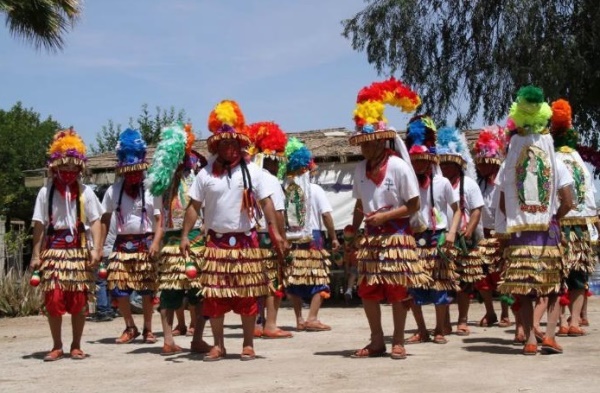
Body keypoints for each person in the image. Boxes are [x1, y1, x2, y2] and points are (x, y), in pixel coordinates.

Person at [180, 100, 285, 361]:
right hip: (215, 244)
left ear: (240, 144)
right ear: (217, 145)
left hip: (246, 243)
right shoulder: (205, 174)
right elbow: (194, 206)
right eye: (223, 143)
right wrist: (184, 235)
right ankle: (219, 345)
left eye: (233, 143)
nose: (228, 147)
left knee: (247, 295)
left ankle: (248, 344)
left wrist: (276, 232)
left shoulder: (252, 171)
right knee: (214, 297)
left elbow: (267, 202)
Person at [347, 78, 427, 360]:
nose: (364, 149)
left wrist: (386, 216)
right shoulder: (359, 168)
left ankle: (398, 341)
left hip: (396, 238)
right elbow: (359, 204)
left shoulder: (398, 167)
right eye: (362, 144)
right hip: (370, 239)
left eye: (369, 143)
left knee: (396, 290)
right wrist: (352, 232)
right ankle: (376, 340)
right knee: (368, 291)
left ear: (381, 140)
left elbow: (414, 205)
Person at [496, 86, 573, 355]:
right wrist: (553, 218)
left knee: (526, 287)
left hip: (520, 234)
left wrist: (520, 217)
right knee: (552, 286)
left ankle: (530, 339)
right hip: (547, 233)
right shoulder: (555, 161)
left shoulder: (509, 161)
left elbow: (504, 203)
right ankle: (549, 336)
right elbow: (569, 201)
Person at [30, 128, 104, 361]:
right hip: (54, 252)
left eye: (74, 168)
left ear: (80, 168)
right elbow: (39, 224)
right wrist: (35, 254)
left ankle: (76, 345)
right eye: (65, 167)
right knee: (53, 299)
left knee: (79, 301)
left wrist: (97, 249)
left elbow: (96, 221)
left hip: (79, 252)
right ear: (55, 168)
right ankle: (56, 345)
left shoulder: (86, 193)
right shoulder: (45, 192)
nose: (70, 172)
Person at [146, 123, 211, 355]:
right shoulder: (160, 180)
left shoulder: (198, 172)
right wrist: (156, 240)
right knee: (170, 290)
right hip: (172, 240)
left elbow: (205, 203)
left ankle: (198, 339)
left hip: (196, 238)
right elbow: (158, 216)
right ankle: (168, 340)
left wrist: (206, 227)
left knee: (199, 290)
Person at [404, 116, 462, 345]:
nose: (418, 164)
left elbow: (458, 210)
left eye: (422, 160)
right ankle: (422, 330)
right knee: (413, 286)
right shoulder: (407, 183)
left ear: (430, 160)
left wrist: (451, 234)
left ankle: (439, 329)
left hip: (438, 236)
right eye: (414, 160)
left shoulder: (442, 183)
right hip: (414, 237)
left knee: (439, 285)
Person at [102, 129, 163, 345]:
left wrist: (155, 242)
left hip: (144, 243)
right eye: (129, 171)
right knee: (119, 288)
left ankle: (148, 329)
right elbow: (104, 218)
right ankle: (130, 327)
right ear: (122, 171)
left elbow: (159, 219)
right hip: (121, 244)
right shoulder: (112, 191)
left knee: (147, 289)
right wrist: (100, 248)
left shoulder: (151, 190)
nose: (133, 175)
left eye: (136, 171)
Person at [549, 99, 596, 337]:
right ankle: (572, 321)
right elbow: (591, 198)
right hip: (578, 226)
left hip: (565, 225)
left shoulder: (556, 159)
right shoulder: (578, 162)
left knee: (562, 275)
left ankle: (564, 323)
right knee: (576, 275)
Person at [283, 138, 338, 332]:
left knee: (296, 277)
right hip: (313, 236)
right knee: (319, 278)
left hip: (292, 237)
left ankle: (299, 320)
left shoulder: (287, 190)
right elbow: (326, 215)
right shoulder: (315, 189)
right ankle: (312, 318)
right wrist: (334, 237)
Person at [437, 126, 485, 336]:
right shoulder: (438, 184)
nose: (445, 167)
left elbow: (477, 210)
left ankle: (463, 320)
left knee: (465, 281)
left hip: (464, 238)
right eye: (443, 163)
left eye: (449, 164)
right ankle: (444, 322)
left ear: (458, 165)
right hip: (443, 237)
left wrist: (469, 230)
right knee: (444, 280)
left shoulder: (470, 184)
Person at [246, 121, 292, 339]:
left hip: (249, 237)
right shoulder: (270, 179)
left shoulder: (247, 175)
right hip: (268, 235)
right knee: (273, 280)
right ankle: (270, 325)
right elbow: (279, 213)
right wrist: (282, 239)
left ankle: (255, 323)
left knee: (254, 281)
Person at [472, 125, 512, 328]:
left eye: (483, 163)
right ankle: (490, 312)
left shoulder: (504, 181)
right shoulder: (478, 185)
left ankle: (505, 312)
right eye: (478, 164)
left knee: (502, 274)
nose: (480, 167)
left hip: (501, 235)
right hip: (483, 236)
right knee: (482, 276)